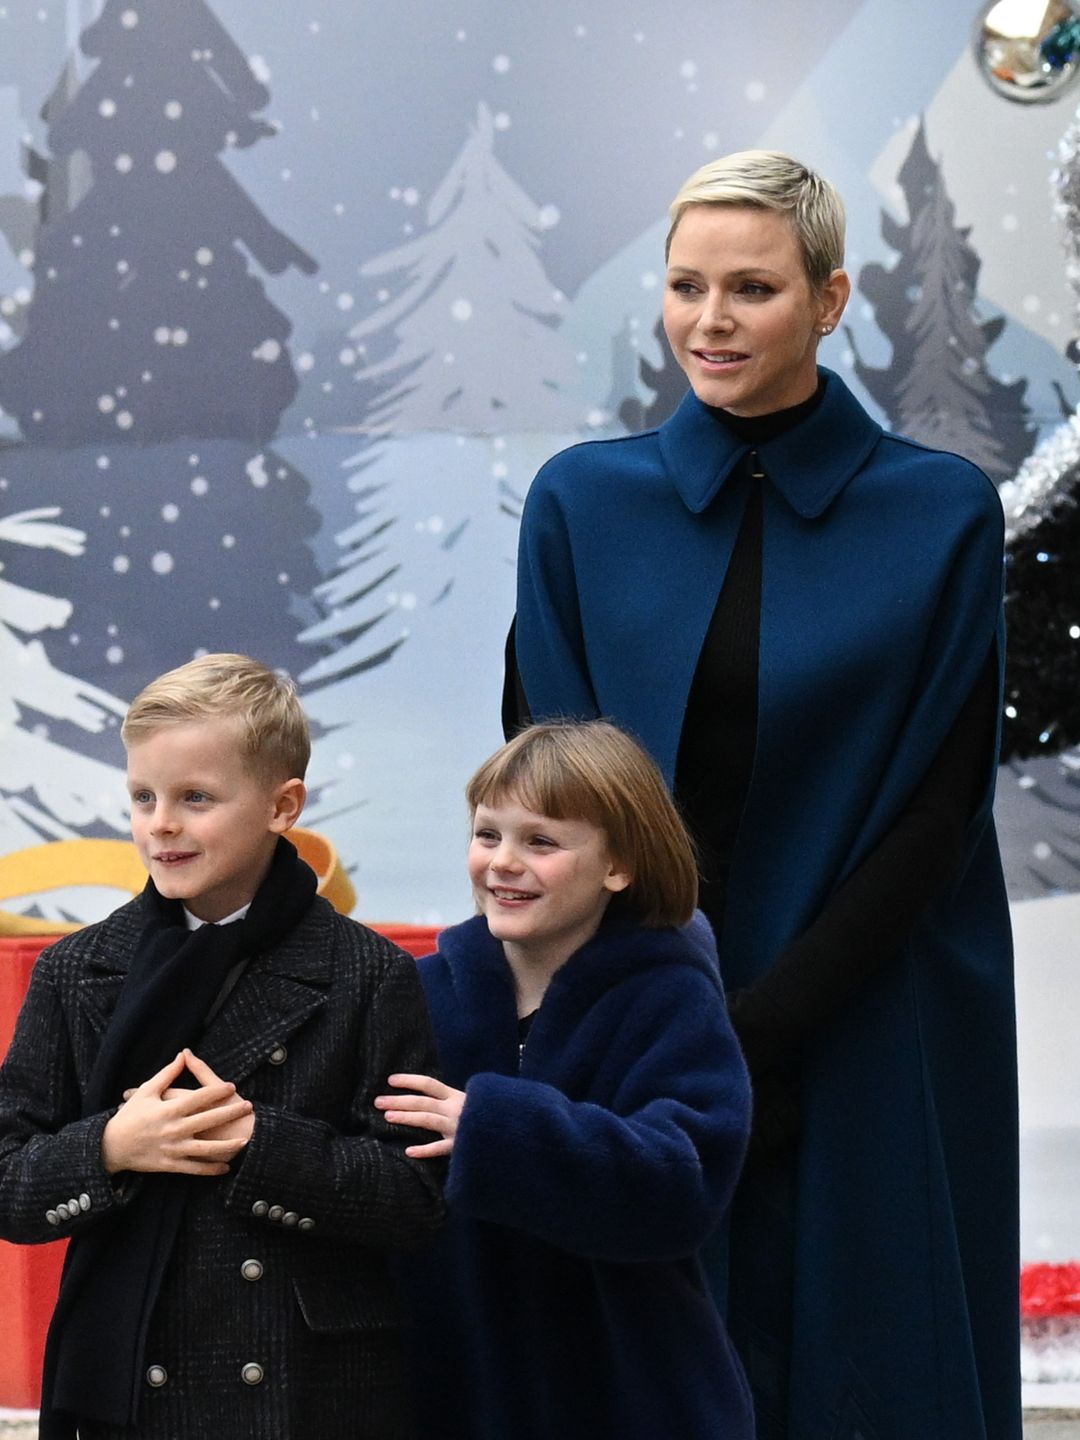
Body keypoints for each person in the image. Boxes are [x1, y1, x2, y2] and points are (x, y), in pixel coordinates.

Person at [505, 152, 1020, 1439]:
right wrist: (667, 1002)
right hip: (636, 1004)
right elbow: (549, 769)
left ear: (831, 299)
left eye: (753, 287)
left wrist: (770, 1022)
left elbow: (940, 810)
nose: (711, 320)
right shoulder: (581, 502)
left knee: (874, 1358)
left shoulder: (942, 512)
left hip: (874, 1005)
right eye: (686, 286)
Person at [0, 653, 444, 1440]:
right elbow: (7, 1180)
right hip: (128, 1388)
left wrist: (258, 1144)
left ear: (283, 806)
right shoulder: (75, 971)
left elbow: (415, 1203)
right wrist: (109, 1145)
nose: (159, 823)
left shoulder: (369, 972)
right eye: (142, 796)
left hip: (311, 1398)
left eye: (195, 798)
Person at [377, 720, 754, 1440]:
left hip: (632, 1403)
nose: (502, 863)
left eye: (541, 842)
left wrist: (495, 1132)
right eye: (488, 835)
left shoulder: (671, 999)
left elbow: (684, 1181)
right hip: (451, 1399)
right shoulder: (413, 995)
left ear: (619, 865)